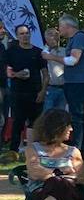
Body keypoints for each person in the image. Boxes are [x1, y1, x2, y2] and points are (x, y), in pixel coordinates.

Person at [41, 15, 84, 156]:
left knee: (76, 116)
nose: (59, 30)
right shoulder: (76, 38)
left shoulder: (79, 38)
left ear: (68, 26)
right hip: (76, 81)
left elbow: (73, 60)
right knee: (80, 115)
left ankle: (77, 148)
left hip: (79, 81)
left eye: (60, 26)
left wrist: (51, 57)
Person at [3, 22, 44, 158]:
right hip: (17, 92)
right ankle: (13, 150)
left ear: (30, 34)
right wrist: (16, 74)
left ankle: (35, 150)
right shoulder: (11, 52)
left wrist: (43, 91)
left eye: (27, 33)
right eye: (22, 33)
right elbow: (6, 71)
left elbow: (46, 74)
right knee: (17, 121)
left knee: (36, 122)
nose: (25, 36)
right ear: (17, 36)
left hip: (35, 92)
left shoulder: (37, 52)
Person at [41, 26, 66, 113]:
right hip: (49, 89)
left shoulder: (65, 51)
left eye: (56, 34)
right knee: (47, 117)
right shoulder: (42, 52)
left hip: (63, 88)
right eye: (51, 34)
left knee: (61, 117)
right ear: (46, 38)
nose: (54, 36)